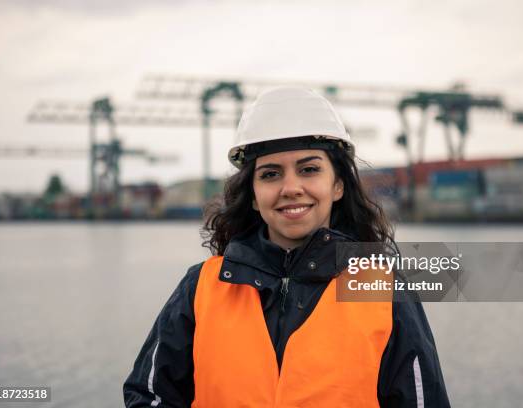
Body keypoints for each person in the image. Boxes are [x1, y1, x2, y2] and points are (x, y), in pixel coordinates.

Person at [124, 87, 450, 407]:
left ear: (337, 185)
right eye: (270, 174)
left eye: (309, 169)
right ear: (252, 194)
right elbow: (150, 396)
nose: (291, 188)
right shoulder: (201, 288)